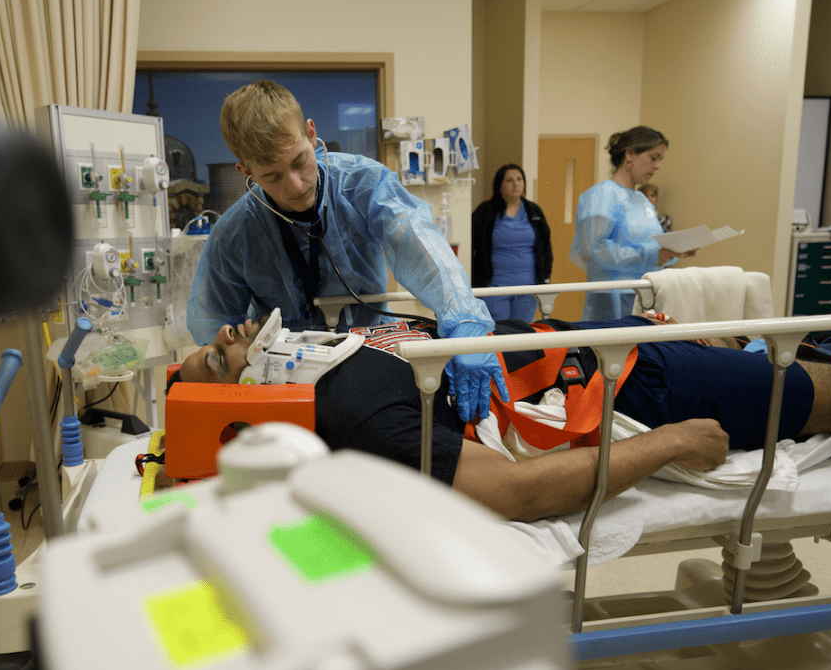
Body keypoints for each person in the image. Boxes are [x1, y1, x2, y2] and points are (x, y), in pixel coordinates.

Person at [171, 313, 831, 523]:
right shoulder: (355, 416)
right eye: (218, 359)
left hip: (590, 338)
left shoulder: (324, 345)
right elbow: (520, 493)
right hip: (635, 387)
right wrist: (671, 443)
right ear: (242, 407)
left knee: (779, 346)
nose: (229, 333)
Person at [185, 80, 506, 422]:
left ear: (311, 134)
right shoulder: (234, 235)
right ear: (246, 172)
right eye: (272, 176)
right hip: (284, 382)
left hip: (374, 360)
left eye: (299, 161)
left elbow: (423, 248)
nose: (295, 185)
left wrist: (463, 324)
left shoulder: (363, 184)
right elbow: (214, 331)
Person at [570, 127, 695, 320]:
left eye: (661, 159)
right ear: (629, 155)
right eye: (653, 158)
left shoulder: (641, 200)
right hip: (613, 298)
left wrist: (674, 252)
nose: (658, 166)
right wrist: (652, 256)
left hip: (646, 294)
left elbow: (653, 247)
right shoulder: (603, 195)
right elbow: (593, 249)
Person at [471, 164, 552, 322]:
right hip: (494, 287)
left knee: (523, 333)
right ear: (499, 185)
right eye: (509, 180)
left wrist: (546, 277)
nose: (516, 183)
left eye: (519, 179)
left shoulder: (534, 211)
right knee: (498, 333)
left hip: (528, 288)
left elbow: (546, 247)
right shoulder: (485, 211)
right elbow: (471, 244)